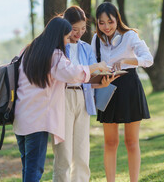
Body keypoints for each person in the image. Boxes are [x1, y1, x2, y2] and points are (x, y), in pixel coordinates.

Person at [13, 16, 110, 182]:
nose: (67, 42)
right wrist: (97, 67)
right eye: (66, 37)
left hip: (21, 117)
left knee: (28, 167)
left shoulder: (28, 50)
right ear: (58, 36)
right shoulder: (54, 55)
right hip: (37, 120)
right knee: (34, 170)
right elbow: (72, 73)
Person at [52, 6, 117, 182]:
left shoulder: (86, 48)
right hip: (63, 98)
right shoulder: (57, 49)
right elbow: (68, 73)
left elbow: (89, 77)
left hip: (83, 97)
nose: (79, 33)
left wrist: (101, 82)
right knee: (64, 152)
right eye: (74, 29)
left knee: (81, 151)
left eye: (83, 29)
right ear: (65, 26)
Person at [91, 2, 154, 182]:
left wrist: (129, 59)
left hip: (129, 88)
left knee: (131, 142)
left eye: (110, 22)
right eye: (101, 23)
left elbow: (148, 59)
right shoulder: (96, 39)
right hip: (106, 87)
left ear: (117, 20)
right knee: (110, 142)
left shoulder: (129, 36)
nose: (106, 27)